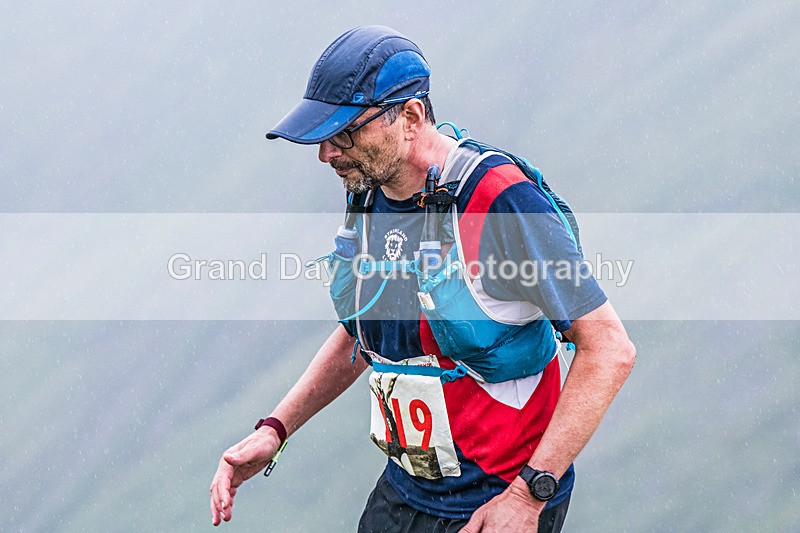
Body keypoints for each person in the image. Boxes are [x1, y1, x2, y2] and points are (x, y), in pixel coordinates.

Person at [210, 25, 635, 532]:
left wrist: (528, 497)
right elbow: (365, 333)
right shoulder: (370, 193)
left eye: (344, 133)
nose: (327, 154)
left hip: (498, 503)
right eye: (323, 137)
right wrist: (276, 430)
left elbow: (609, 349)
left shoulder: (499, 201)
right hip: (404, 492)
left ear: (410, 117)